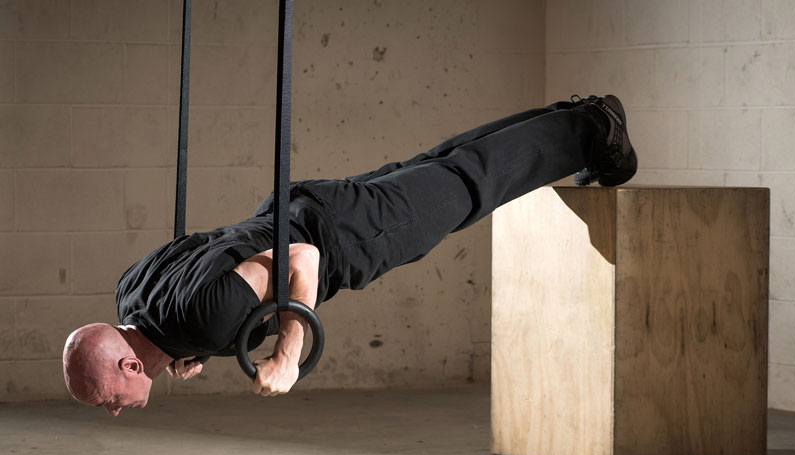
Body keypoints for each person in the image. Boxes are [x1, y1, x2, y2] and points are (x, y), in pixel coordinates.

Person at [63, 94, 637, 416]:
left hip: (342, 235)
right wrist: (195, 349)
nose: (114, 411)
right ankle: (579, 116)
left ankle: (594, 130)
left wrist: (289, 352)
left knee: (468, 184)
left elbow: (301, 261)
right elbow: (212, 268)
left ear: (129, 364)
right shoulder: (133, 291)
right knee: (448, 165)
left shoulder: (197, 321)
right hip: (302, 206)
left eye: (109, 400)